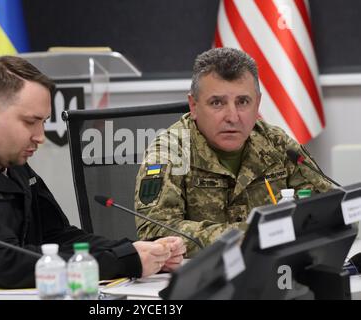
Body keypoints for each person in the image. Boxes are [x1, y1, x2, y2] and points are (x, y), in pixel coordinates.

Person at [0, 56, 185, 296]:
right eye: (30, 122)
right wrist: (121, 260)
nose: (40, 137)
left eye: (43, 122)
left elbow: (58, 235)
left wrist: (138, 250)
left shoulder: (11, 158)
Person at [134, 47, 332, 256]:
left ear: (257, 104)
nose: (232, 116)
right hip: (202, 280)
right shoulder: (170, 151)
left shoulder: (276, 142)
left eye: (243, 102)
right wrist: (249, 236)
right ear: (193, 106)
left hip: (272, 270)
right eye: (217, 103)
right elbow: (154, 231)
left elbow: (329, 207)